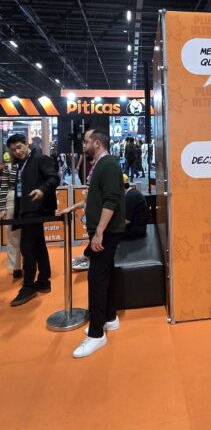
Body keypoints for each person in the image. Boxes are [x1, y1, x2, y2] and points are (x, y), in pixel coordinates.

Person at [61, 128, 125, 359]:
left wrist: (99, 232)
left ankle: (97, 334)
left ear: (97, 143)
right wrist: (74, 207)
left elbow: (111, 200)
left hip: (106, 232)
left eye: (87, 141)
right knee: (103, 275)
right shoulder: (100, 164)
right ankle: (109, 318)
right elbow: (95, 197)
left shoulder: (108, 164)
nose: (84, 145)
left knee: (96, 279)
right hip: (104, 230)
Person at [6, 133, 59, 307]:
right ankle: (43, 281)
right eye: (13, 150)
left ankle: (28, 286)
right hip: (25, 210)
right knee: (38, 245)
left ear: (26, 143)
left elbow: (54, 177)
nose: (17, 152)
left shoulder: (40, 159)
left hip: (36, 209)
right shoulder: (20, 164)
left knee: (27, 248)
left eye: (19, 147)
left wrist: (42, 190)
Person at [0, 157, 22, 280]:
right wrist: (2, 208)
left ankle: (30, 265)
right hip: (12, 199)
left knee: (28, 237)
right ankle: (16, 267)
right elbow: (4, 187)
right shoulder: (8, 167)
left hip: (27, 199)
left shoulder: (29, 164)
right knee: (13, 236)